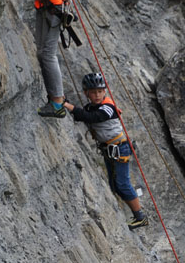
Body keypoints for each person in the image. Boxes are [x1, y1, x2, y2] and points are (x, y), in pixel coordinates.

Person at [63, 73, 148, 230]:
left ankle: (140, 216)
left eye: (100, 91)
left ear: (105, 92)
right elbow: (82, 115)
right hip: (110, 149)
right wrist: (67, 105)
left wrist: (70, 106)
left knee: (122, 183)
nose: (97, 95)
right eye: (93, 92)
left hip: (120, 148)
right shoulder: (90, 107)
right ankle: (133, 211)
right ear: (86, 93)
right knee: (114, 185)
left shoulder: (108, 107)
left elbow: (93, 117)